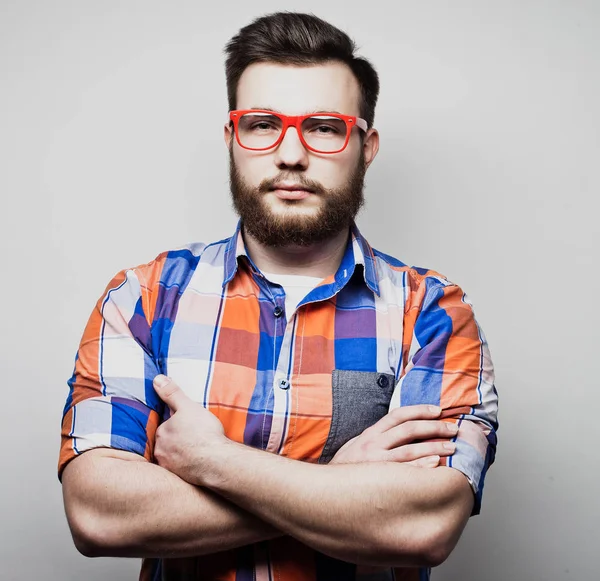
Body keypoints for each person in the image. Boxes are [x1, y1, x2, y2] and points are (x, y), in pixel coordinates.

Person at [59, 11, 498, 581]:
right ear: (231, 139)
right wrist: (341, 484)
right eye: (263, 123)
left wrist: (215, 463)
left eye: (323, 126)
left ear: (366, 146)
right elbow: (98, 516)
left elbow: (422, 526)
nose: (290, 154)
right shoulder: (140, 299)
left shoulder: (435, 314)